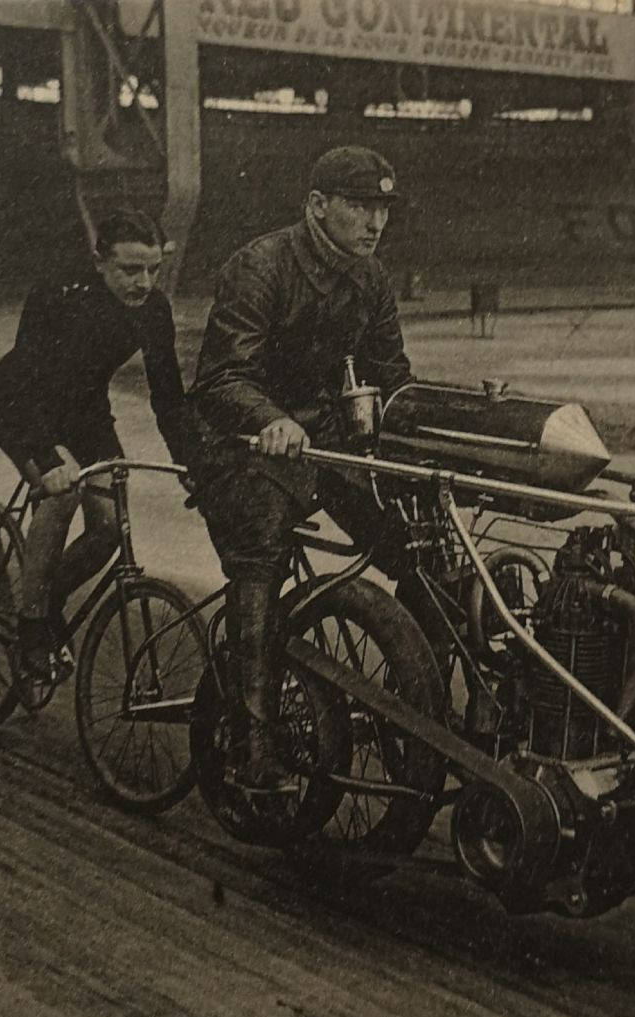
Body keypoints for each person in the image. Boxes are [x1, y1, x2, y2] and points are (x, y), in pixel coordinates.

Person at [187, 145, 413, 790]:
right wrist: (270, 421)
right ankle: (248, 743)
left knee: (409, 541)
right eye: (360, 206)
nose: (375, 222)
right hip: (240, 443)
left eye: (383, 209)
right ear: (317, 206)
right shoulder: (259, 266)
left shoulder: (371, 278)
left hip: (323, 444)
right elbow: (222, 377)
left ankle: (427, 708)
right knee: (261, 554)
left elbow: (392, 376)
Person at [0, 210, 200, 683]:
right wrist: (46, 459)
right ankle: (32, 626)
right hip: (20, 405)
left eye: (153, 269)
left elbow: (168, 399)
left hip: (85, 415)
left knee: (108, 528)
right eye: (130, 270)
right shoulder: (57, 296)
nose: (144, 283)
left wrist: (191, 463)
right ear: (99, 262)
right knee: (62, 495)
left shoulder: (154, 310)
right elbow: (24, 382)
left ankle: (44, 593)